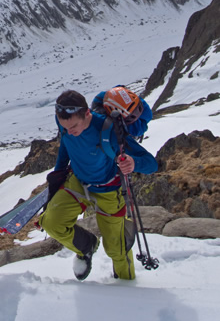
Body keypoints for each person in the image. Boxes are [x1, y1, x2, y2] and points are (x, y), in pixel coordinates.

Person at [38, 89, 157, 281]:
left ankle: (128, 289)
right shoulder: (67, 124)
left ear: (87, 114)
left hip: (108, 191)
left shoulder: (108, 132)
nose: (70, 131)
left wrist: (134, 163)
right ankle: (87, 246)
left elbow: (151, 164)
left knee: (116, 251)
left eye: (74, 126)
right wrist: (58, 174)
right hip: (77, 182)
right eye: (64, 127)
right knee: (51, 223)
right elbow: (66, 145)